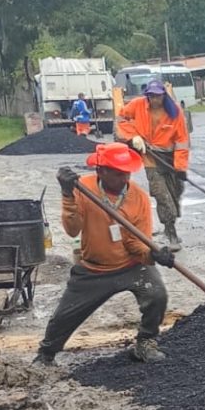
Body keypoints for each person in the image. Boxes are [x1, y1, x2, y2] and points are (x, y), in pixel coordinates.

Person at [36, 142, 173, 366]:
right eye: (118, 173)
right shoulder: (83, 189)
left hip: (131, 265)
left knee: (157, 294)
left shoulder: (138, 198)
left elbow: (135, 242)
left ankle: (145, 342)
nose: (124, 178)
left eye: (127, 173)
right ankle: (46, 353)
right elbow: (72, 230)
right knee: (63, 317)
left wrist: (153, 254)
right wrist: (67, 194)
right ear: (101, 171)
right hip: (94, 268)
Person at [115, 79, 190, 251]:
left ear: (164, 95)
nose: (154, 99)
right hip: (151, 158)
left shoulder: (175, 111)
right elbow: (120, 118)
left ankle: (170, 222)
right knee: (162, 195)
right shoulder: (138, 105)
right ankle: (171, 232)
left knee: (176, 193)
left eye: (158, 96)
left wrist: (180, 167)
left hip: (170, 158)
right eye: (151, 96)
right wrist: (133, 136)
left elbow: (182, 141)